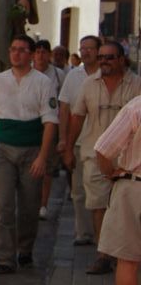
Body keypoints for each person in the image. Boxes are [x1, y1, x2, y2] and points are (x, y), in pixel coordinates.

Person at [0, 36, 58, 274]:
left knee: (29, 206)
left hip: (31, 148)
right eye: (13, 50)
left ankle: (25, 249)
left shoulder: (43, 82)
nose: (17, 54)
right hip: (1, 148)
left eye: (22, 50)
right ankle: (5, 258)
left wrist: (43, 156)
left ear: (31, 54)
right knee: (3, 205)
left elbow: (50, 122)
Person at [65, 40, 141, 274]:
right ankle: (103, 254)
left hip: (127, 160)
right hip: (94, 153)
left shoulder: (136, 84)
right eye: (101, 58)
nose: (104, 62)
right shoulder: (88, 85)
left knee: (122, 209)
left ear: (121, 60)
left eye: (109, 57)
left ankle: (125, 254)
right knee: (98, 205)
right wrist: (68, 148)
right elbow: (77, 117)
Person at [93, 96, 141, 285]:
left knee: (128, 261)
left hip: (134, 189)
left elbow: (102, 149)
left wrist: (109, 173)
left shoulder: (136, 108)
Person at [57, 36, 100, 247]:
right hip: (78, 143)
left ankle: (101, 233)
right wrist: (63, 139)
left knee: (102, 192)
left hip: (102, 144)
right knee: (79, 191)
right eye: (82, 48)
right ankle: (83, 232)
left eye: (90, 49)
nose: (85, 52)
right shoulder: (73, 76)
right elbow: (64, 109)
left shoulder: (106, 74)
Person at [33, 40, 63, 219]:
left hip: (50, 125)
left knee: (46, 167)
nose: (40, 55)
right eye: (38, 51)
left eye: (44, 52)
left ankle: (43, 204)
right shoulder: (27, 72)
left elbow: (64, 102)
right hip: (31, 124)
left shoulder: (58, 75)